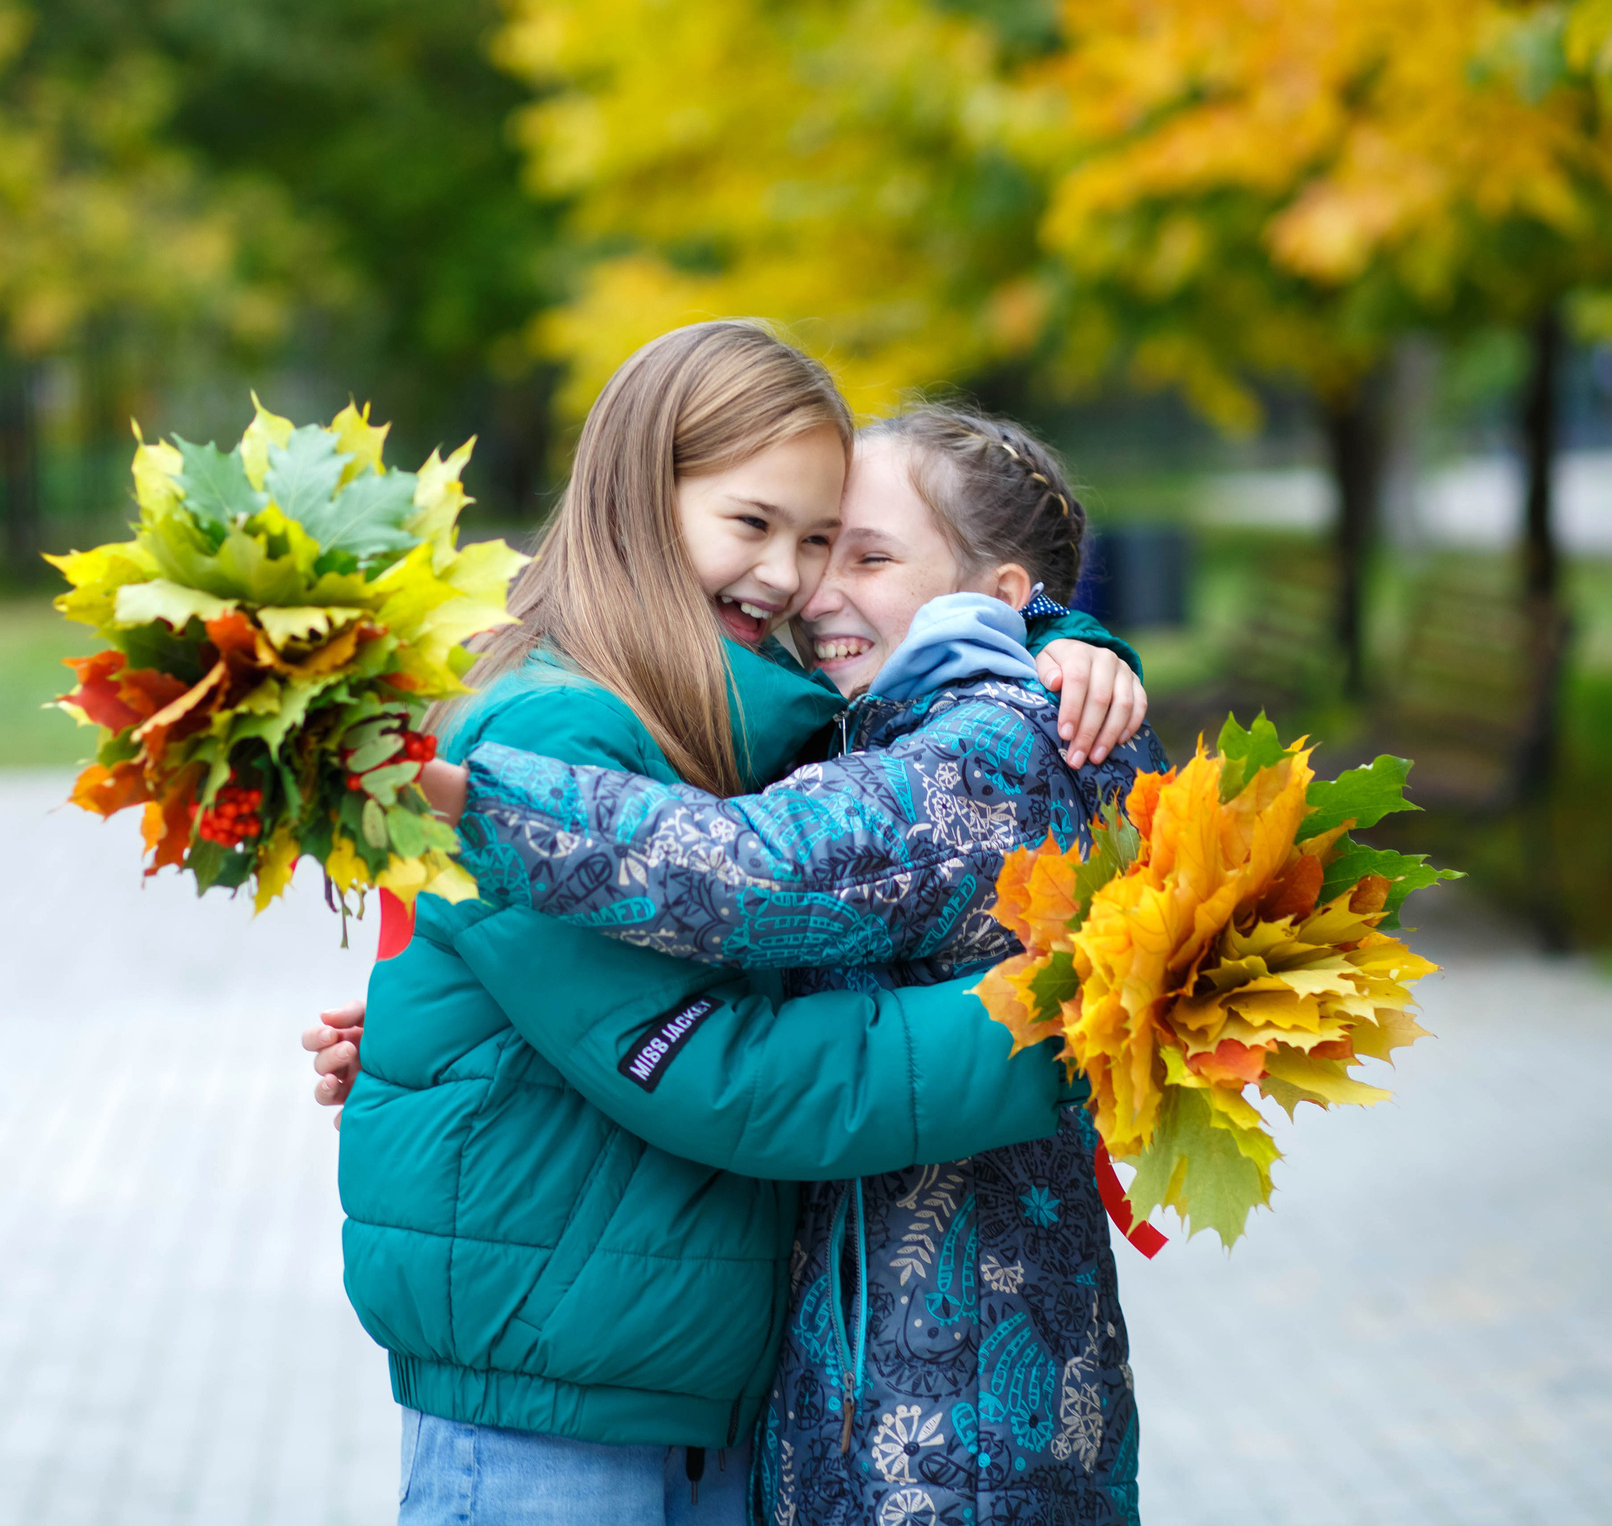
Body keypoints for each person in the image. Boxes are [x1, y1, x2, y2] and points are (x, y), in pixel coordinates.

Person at [328, 320, 1144, 1526]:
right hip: (563, 1395)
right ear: (634, 495)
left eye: (826, 543)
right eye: (756, 527)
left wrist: (1057, 639)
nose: (793, 580)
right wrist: (1076, 1029)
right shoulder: (556, 725)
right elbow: (727, 1061)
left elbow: (931, 740)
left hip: (674, 1371)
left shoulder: (740, 709)